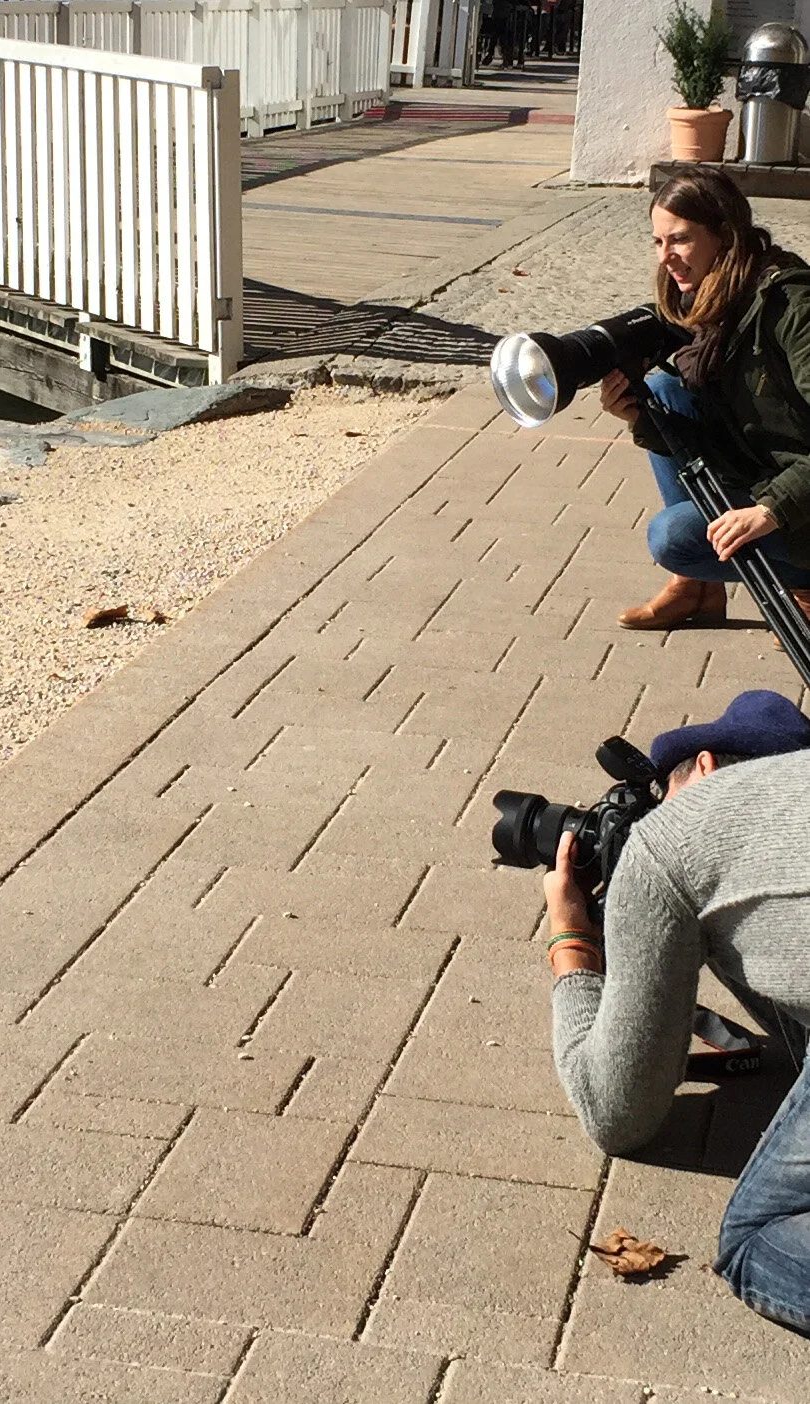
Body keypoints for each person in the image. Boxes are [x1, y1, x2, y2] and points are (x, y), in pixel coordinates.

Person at [543, 689, 810, 1335]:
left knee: (756, 1242)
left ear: (706, 766)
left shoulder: (676, 835)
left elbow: (615, 1113)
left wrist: (570, 937)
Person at [601, 170, 810, 635]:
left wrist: (770, 509)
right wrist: (641, 418)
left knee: (673, 536)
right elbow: (726, 437)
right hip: (772, 468)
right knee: (660, 394)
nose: (666, 257)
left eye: (680, 239)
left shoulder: (792, 306)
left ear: (724, 235)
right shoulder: (722, 301)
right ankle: (697, 589)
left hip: (800, 490)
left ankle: (805, 584)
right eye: (657, 242)